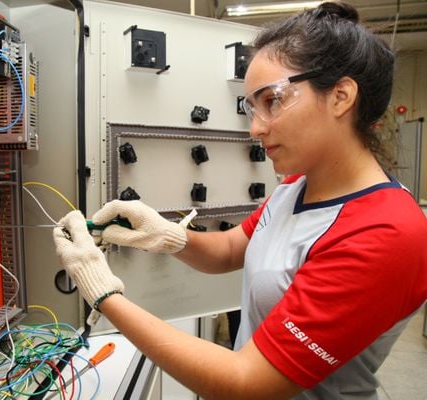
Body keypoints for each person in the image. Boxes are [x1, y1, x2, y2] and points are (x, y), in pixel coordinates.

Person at [53, 2, 427, 399]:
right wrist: (167, 235)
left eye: (273, 101)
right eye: (252, 106)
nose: (254, 128)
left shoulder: (386, 233)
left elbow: (247, 382)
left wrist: (104, 294)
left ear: (340, 96)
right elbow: (232, 248)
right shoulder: (297, 185)